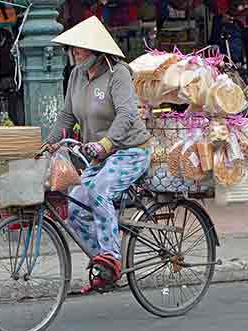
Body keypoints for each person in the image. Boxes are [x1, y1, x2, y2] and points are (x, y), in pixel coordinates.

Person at [45, 16, 152, 293]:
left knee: (100, 191)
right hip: (99, 156)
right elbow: (67, 116)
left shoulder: (118, 74)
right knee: (76, 206)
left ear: (97, 51)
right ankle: (104, 267)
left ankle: (112, 257)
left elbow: (128, 114)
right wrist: (49, 144)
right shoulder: (77, 76)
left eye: (80, 48)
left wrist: (106, 143)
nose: (75, 52)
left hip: (130, 151)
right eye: (73, 48)